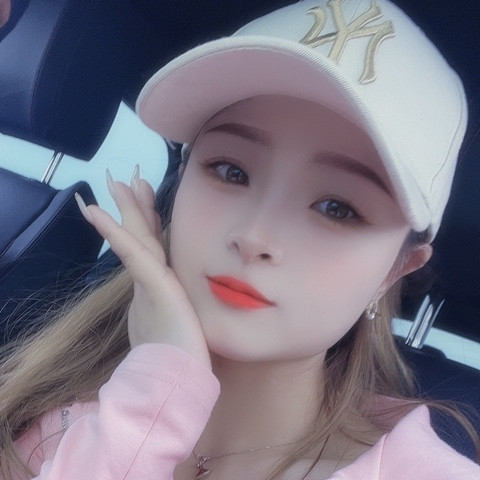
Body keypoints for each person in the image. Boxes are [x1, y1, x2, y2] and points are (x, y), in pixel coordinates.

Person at [0, 0, 479, 478]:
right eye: (230, 171)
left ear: (396, 270)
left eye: (337, 208)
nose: (253, 237)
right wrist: (152, 397)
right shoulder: (55, 418)